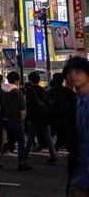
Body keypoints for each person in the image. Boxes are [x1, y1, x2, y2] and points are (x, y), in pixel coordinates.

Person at [62, 56, 89, 196]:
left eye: (78, 71)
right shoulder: (73, 106)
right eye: (69, 72)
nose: (72, 75)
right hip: (80, 176)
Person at [0, 71, 32, 171]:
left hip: (5, 119)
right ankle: (21, 163)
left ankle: (0, 152)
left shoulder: (1, 91)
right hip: (16, 119)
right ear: (17, 80)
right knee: (21, 141)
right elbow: (22, 106)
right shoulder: (17, 92)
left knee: (12, 139)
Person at [24, 72, 58, 164]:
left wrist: (28, 119)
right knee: (48, 136)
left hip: (35, 116)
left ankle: (25, 154)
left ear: (30, 80)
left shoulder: (30, 91)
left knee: (31, 136)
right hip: (44, 116)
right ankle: (53, 154)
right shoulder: (43, 90)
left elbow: (29, 106)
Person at [48, 72, 76, 150]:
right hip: (64, 117)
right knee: (64, 137)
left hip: (53, 117)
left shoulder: (50, 91)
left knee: (57, 135)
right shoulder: (66, 90)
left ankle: (54, 152)